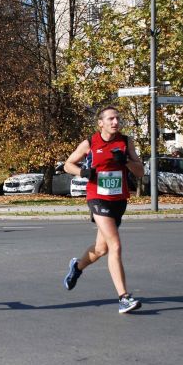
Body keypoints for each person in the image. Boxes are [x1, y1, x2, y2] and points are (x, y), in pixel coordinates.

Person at [63, 105, 145, 314]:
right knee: (115, 245)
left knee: (102, 249)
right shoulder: (90, 142)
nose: (115, 122)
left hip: (119, 200)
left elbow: (140, 172)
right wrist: (84, 172)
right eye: (110, 119)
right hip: (97, 198)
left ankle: (77, 267)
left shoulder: (126, 142)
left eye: (117, 118)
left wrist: (125, 161)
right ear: (100, 123)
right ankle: (124, 298)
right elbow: (68, 165)